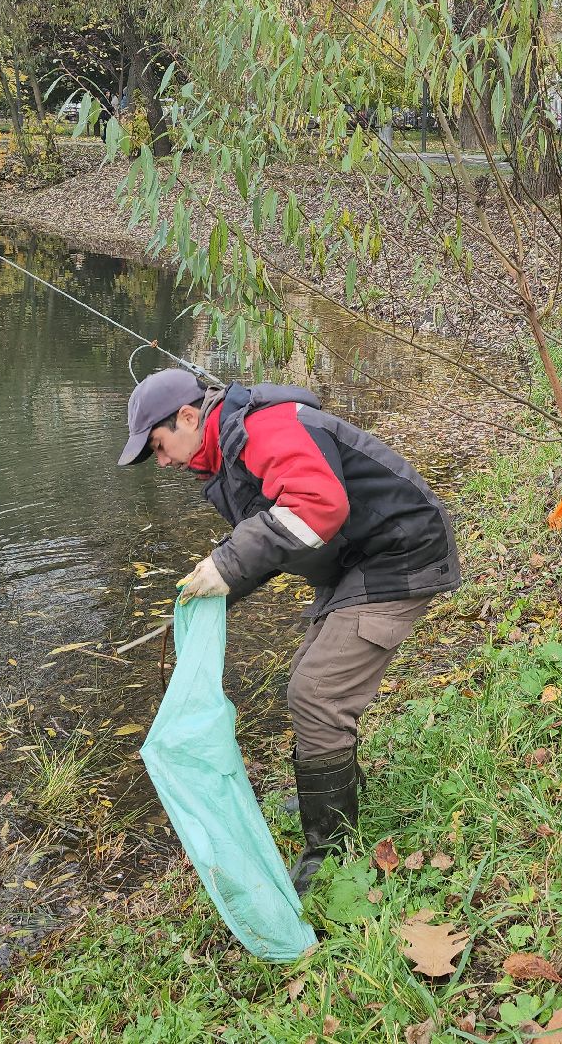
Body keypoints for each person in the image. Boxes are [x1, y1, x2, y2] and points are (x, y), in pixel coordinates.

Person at [118, 368, 461, 892]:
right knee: (307, 675)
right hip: (357, 557)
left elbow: (317, 507)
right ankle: (334, 792)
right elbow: (279, 535)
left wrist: (227, 563)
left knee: (317, 692)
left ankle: (331, 847)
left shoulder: (265, 428)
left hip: (400, 553)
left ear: (187, 416)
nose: (161, 462)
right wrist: (217, 589)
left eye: (159, 447)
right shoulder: (227, 453)